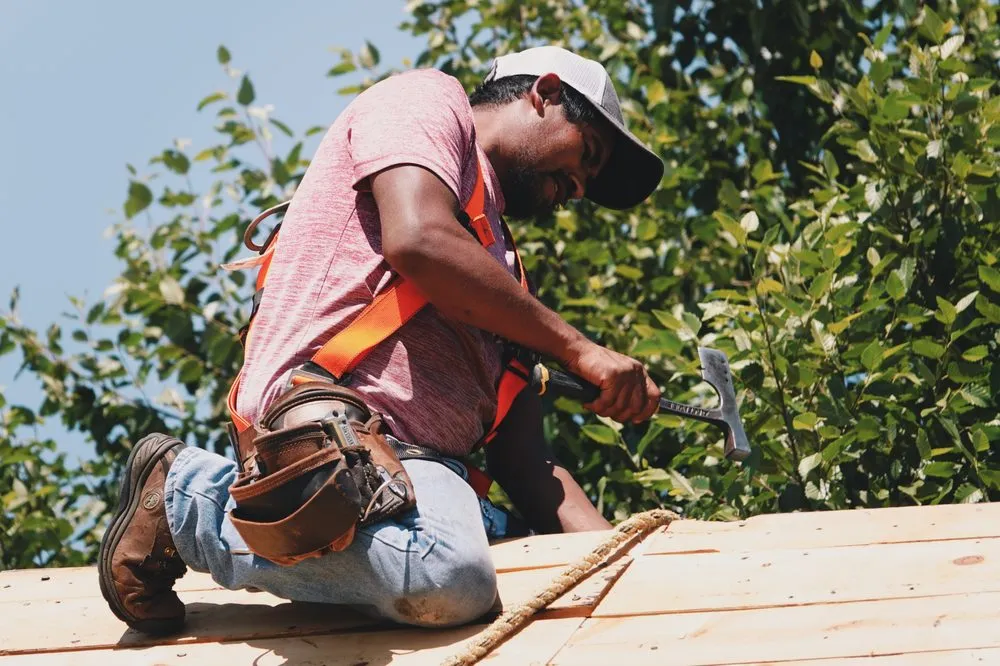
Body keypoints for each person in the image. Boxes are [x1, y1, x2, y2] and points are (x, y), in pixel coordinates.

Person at [98, 45, 664, 635]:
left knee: (511, 570)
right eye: (587, 155)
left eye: (586, 184)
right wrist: (582, 350)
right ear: (544, 94)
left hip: (426, 488)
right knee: (450, 578)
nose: (576, 188)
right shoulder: (427, 100)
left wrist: (633, 574)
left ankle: (407, 547)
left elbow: (527, 466)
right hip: (336, 431)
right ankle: (189, 501)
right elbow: (417, 239)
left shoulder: (505, 281)